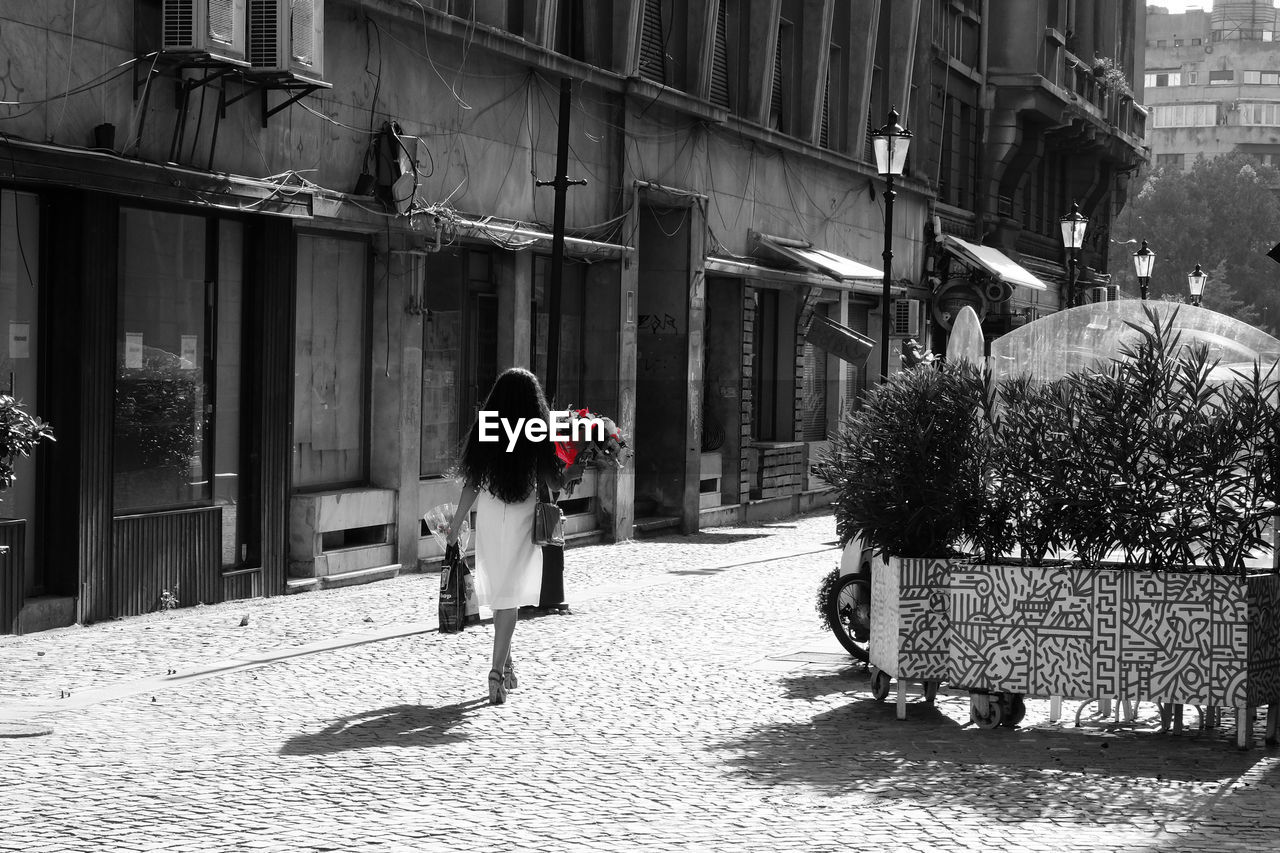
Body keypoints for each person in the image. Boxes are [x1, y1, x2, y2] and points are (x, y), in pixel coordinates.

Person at [444, 368, 585, 705]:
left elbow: (472, 482)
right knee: (508, 596)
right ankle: (495, 673)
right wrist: (575, 470)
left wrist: (456, 524)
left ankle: (507, 663)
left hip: (491, 514)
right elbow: (554, 483)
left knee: (500, 592)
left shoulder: (489, 426)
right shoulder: (537, 431)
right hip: (523, 514)